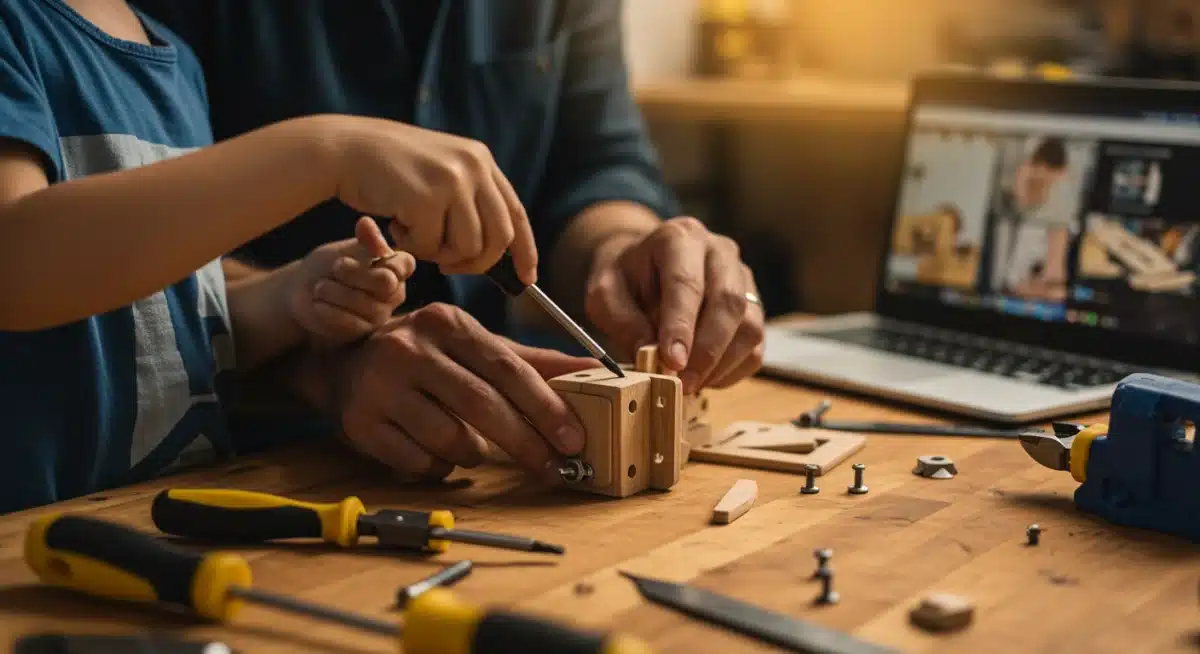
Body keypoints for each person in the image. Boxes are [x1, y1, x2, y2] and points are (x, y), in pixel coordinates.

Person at [130, 1, 768, 484]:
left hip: (474, 457)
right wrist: (319, 367)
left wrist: (625, 250)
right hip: (236, 461)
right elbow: (114, 242)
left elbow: (597, 159)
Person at [0, 0, 576, 512]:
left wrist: (287, 298)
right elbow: (15, 263)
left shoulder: (169, 57)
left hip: (148, 533)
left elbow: (158, 325)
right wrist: (326, 153)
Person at [987, 136, 1073, 301]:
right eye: (1032, 173)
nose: (1034, 184)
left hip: (1018, 299)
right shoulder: (1003, 214)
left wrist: (1024, 289)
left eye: (1043, 179)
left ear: (1059, 175)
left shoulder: (1057, 224)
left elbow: (1057, 292)